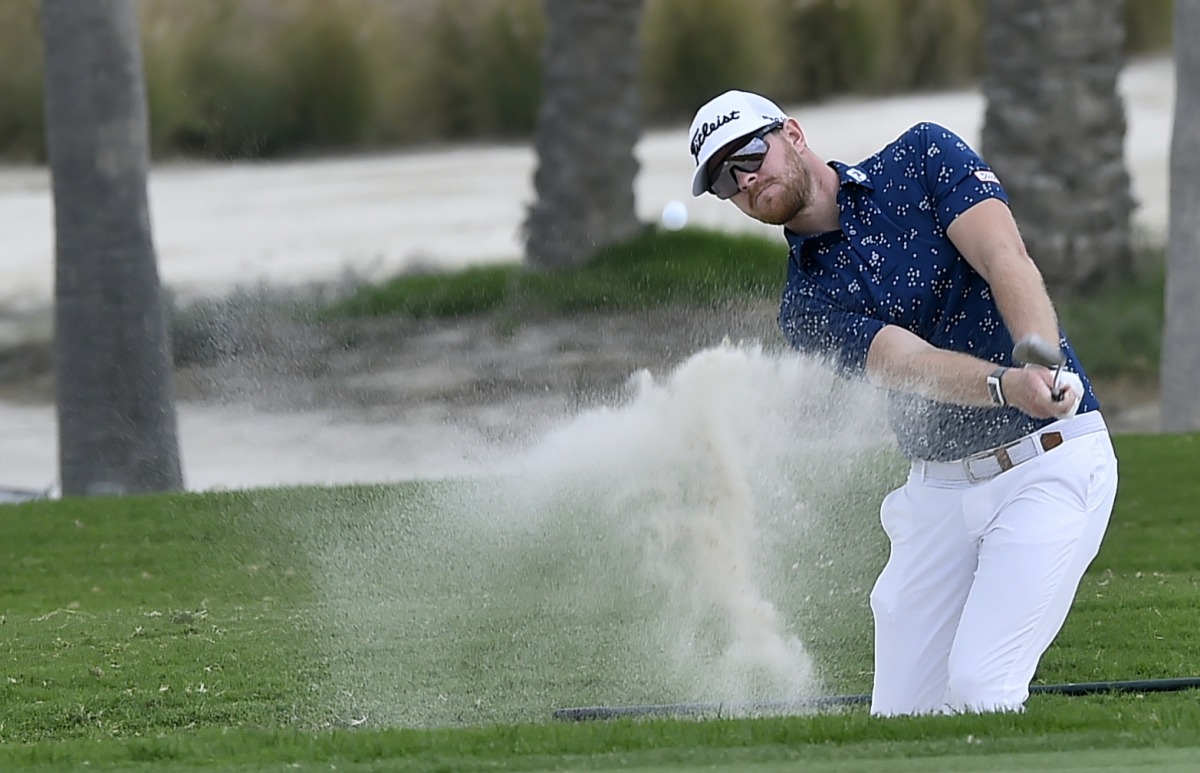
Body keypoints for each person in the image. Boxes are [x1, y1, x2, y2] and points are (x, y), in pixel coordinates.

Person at [687, 90, 1118, 716]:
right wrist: (1005, 384)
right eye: (726, 180)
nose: (746, 178)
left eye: (749, 154)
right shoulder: (804, 305)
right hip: (938, 494)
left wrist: (1040, 364)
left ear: (794, 134)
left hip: (1047, 463)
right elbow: (907, 365)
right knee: (900, 720)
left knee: (978, 688)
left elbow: (1004, 258)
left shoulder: (920, 155)